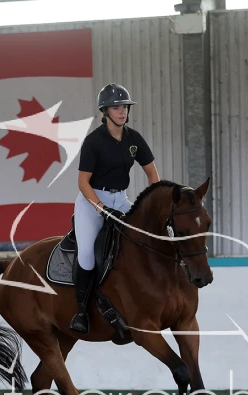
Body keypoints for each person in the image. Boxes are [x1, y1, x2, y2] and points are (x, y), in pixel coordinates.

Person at [69, 83, 160, 334]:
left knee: (146, 238)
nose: (122, 112)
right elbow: (83, 182)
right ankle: (81, 312)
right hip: (92, 200)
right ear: (105, 111)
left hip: (121, 199)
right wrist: (101, 208)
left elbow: (152, 174)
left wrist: (150, 205)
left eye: (125, 107)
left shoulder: (134, 139)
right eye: (116, 108)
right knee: (87, 254)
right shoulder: (94, 141)